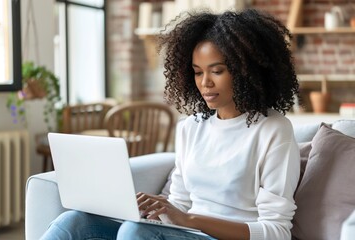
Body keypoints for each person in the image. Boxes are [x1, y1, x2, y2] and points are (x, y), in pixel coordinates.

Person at [40, 8, 300, 240]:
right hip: (184, 233)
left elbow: (276, 231)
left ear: (247, 71)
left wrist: (188, 221)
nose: (205, 83)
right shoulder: (191, 127)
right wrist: (156, 212)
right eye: (198, 72)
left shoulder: (273, 130)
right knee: (73, 221)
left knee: (135, 233)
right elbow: (180, 201)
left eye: (217, 71)